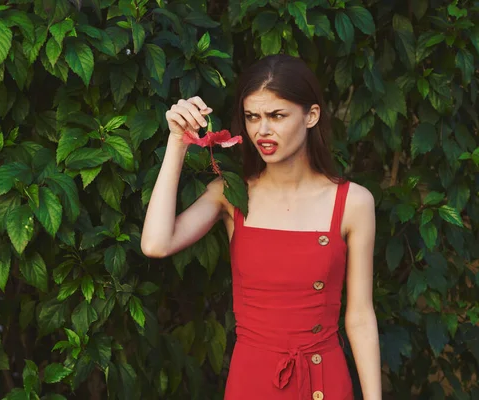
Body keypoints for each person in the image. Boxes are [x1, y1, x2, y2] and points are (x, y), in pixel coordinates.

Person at [141, 54, 381, 399]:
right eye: (252, 117)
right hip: (252, 380)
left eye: (277, 116)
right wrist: (177, 142)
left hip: (323, 380)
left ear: (311, 115)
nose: (262, 130)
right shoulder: (231, 194)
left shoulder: (353, 202)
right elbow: (155, 244)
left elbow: (359, 317)